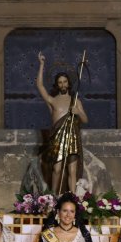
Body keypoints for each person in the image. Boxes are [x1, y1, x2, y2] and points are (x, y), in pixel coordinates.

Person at [36, 51, 88, 194]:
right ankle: (53, 198)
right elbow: (40, 86)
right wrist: (41, 65)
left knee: (72, 170)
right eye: (60, 82)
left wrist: (78, 112)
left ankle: (73, 198)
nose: (63, 84)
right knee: (57, 169)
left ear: (68, 83)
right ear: (57, 84)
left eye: (65, 82)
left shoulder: (75, 101)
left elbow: (85, 120)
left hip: (72, 137)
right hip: (57, 138)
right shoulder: (53, 101)